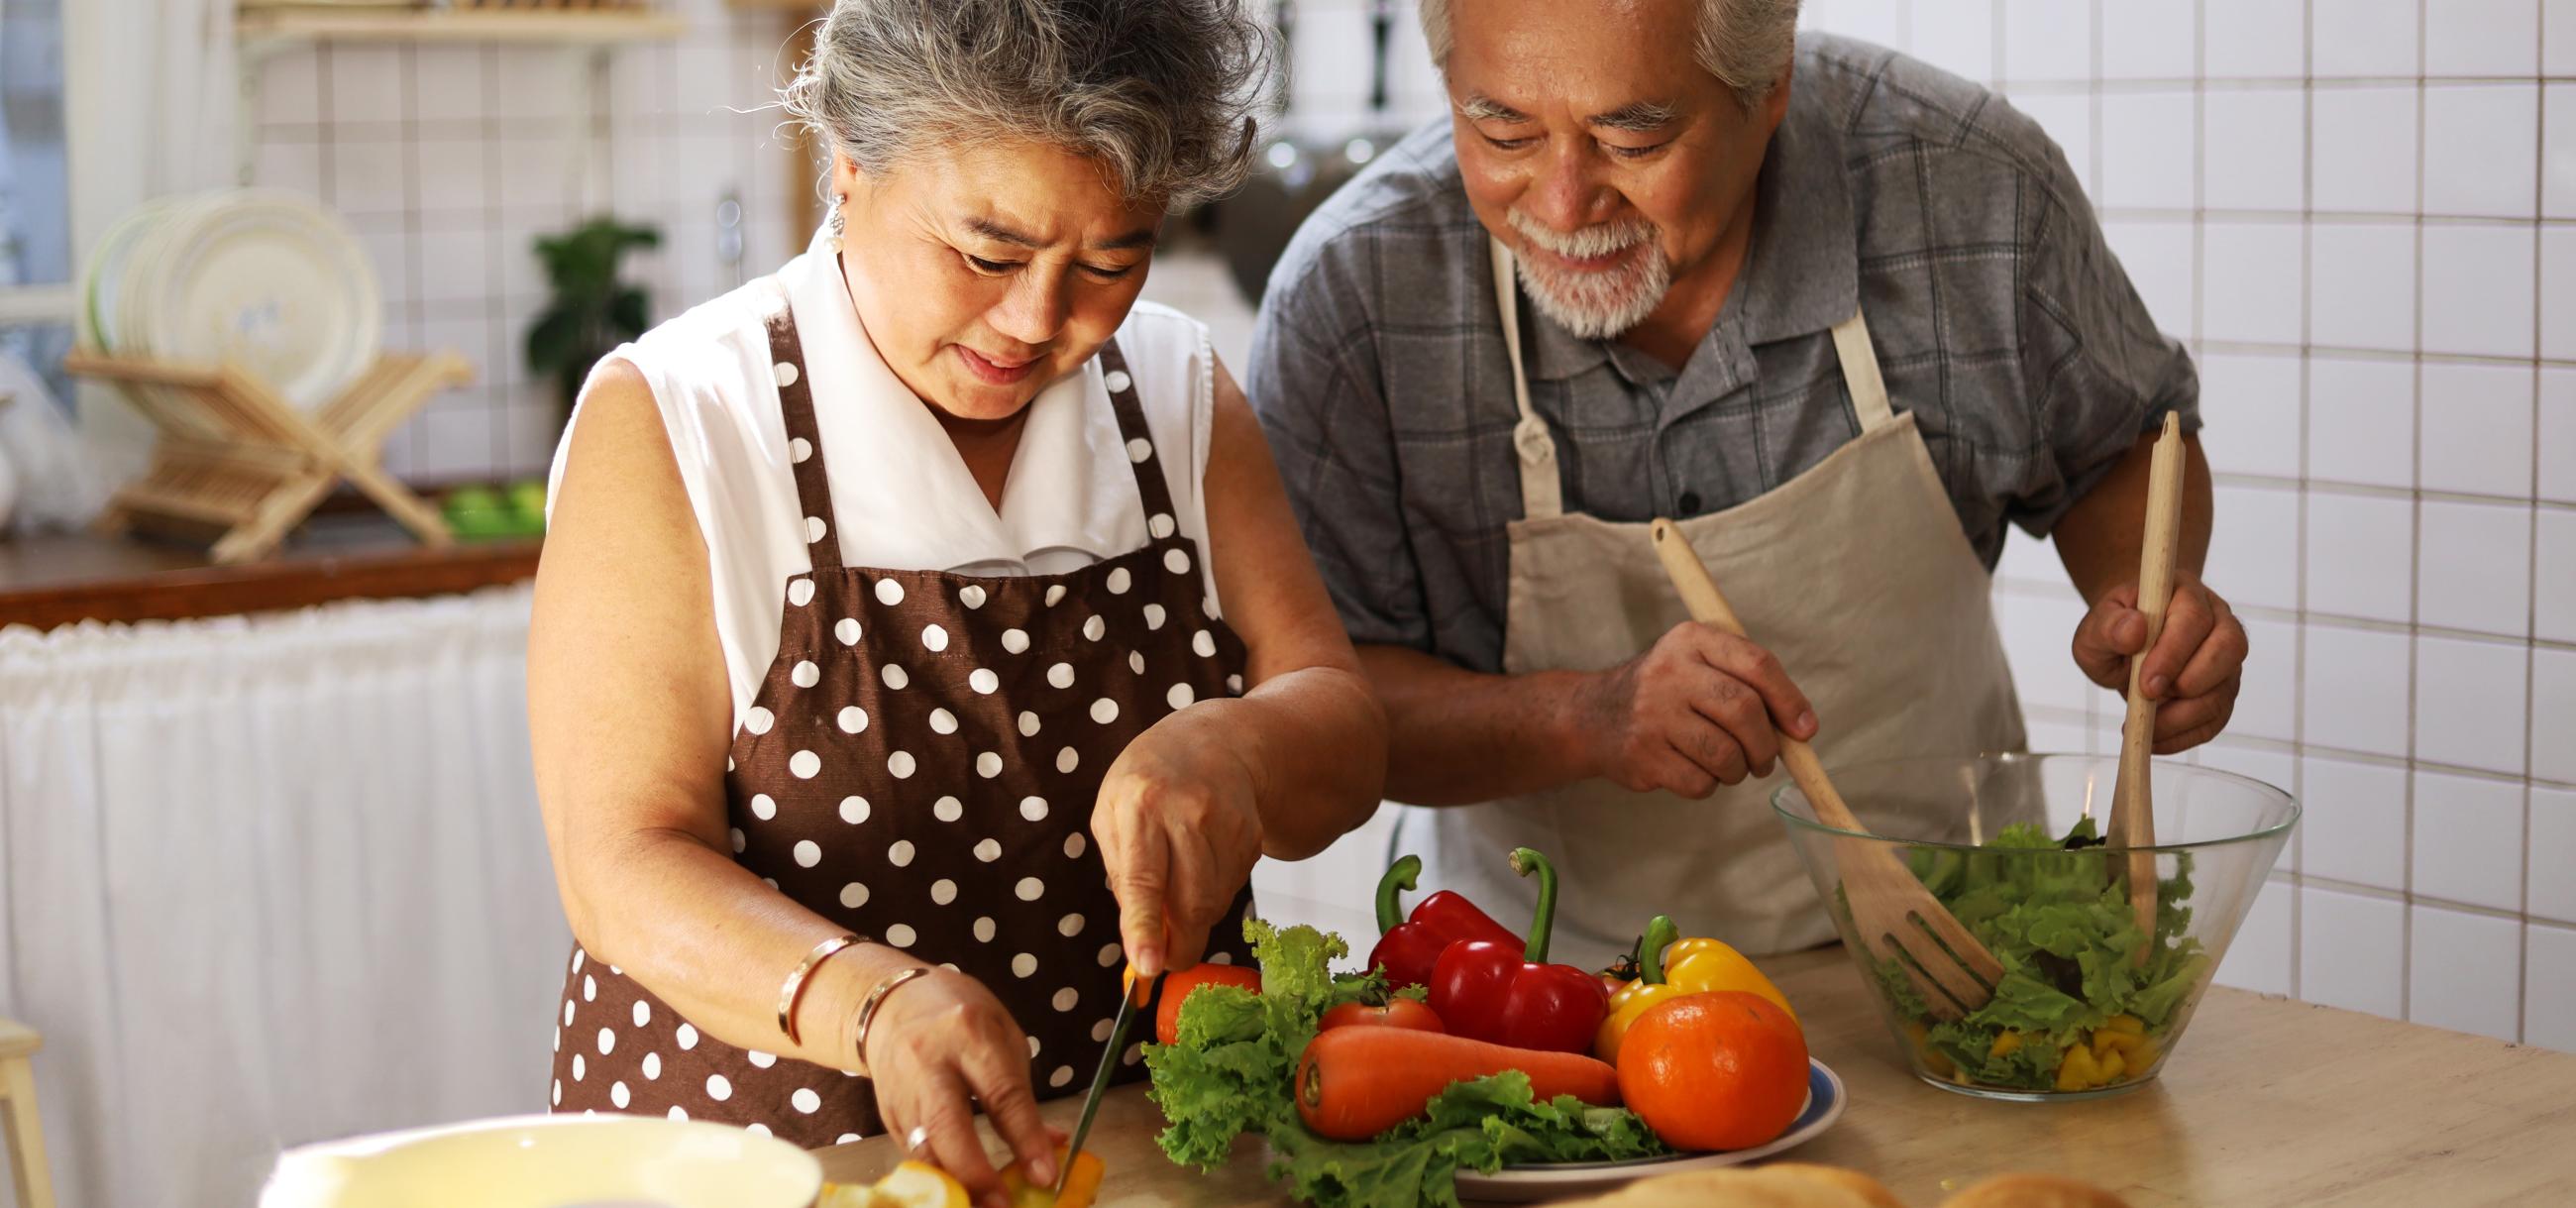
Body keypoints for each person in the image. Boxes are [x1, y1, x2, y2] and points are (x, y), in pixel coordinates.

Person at [527, 3, 1384, 1203]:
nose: (1040, 321)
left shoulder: (1177, 393)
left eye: (1109, 262)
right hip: (766, 1161)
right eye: (986, 253)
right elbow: (619, 861)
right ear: (851, 165)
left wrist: (1239, 743)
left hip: (1129, 1155)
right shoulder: (682, 417)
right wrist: (867, 1001)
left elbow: (1341, 727)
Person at [1247, 0, 2246, 963]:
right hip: (1537, 995)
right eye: (1501, 129)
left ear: (1767, 86)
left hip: (1949, 957)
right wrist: (1583, 716)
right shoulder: (1354, 297)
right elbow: (1329, 704)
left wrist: (2139, 602)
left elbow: (2119, 444)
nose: (1560, 204)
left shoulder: (1966, 185)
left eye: (1629, 139)